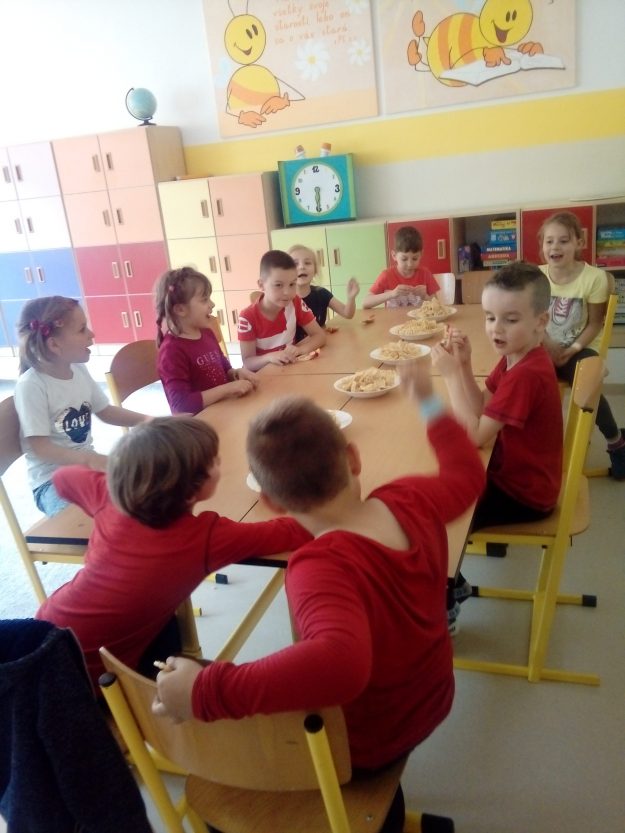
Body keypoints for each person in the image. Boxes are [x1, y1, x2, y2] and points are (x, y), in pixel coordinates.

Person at [152, 363, 485, 833]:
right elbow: (467, 475)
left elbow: (340, 665)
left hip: (365, 744)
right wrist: (428, 400)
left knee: (220, 770)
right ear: (353, 459)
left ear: (270, 502)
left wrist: (205, 691)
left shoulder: (320, 566)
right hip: (430, 698)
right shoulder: (410, 497)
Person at [35, 417, 311, 689]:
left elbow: (62, 478)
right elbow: (294, 531)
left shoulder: (110, 497)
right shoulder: (206, 537)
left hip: (47, 626)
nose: (220, 462)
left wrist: (121, 478)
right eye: (214, 461)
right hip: (86, 677)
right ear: (191, 493)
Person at [431, 262, 564, 633]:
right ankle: (454, 584)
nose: (495, 329)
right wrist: (464, 364)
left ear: (540, 322)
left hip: (525, 493)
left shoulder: (527, 373)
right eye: (490, 317)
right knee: (433, 492)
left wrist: (450, 376)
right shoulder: (517, 356)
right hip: (513, 474)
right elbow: (481, 408)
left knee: (438, 518)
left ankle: (444, 604)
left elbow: (475, 436)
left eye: (510, 319)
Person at [14, 296, 149, 518]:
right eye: (82, 329)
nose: (92, 334)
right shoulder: (32, 385)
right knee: (95, 522)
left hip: (87, 468)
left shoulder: (78, 370)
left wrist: (149, 421)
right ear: (54, 345)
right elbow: (40, 448)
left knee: (143, 497)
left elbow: (106, 412)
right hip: (51, 483)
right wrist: (90, 459)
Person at [538, 211, 625, 480]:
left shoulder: (595, 278)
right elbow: (532, 319)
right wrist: (548, 344)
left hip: (580, 347)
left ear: (579, 243)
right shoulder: (536, 276)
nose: (555, 247)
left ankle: (616, 442)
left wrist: (571, 350)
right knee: (521, 376)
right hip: (544, 345)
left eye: (563, 241)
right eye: (549, 241)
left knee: (587, 382)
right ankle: (535, 448)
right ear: (542, 245)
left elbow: (595, 324)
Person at [155, 266, 258, 415]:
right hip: (199, 423)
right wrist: (227, 389)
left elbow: (225, 370)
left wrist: (236, 373)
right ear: (180, 310)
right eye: (204, 300)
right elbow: (182, 404)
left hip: (223, 410)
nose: (212, 304)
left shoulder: (207, 333)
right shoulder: (171, 351)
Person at [237, 249, 326, 370]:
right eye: (278, 285)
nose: (287, 292)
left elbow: (319, 336)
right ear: (261, 285)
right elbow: (248, 362)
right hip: (262, 375)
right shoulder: (247, 317)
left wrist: (299, 349)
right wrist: (269, 357)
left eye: (292, 284)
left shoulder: (295, 302)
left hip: (289, 369)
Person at [288, 244, 360, 341]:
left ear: (315, 270)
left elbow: (347, 314)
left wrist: (351, 298)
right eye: (295, 264)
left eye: (307, 263)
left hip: (321, 345)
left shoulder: (321, 293)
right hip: (298, 349)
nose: (302, 267)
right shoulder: (284, 300)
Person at [362, 226, 440, 309]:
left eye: (415, 258)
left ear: (421, 254)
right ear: (394, 255)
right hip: (393, 317)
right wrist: (392, 294)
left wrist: (425, 296)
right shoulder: (387, 275)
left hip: (420, 317)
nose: (410, 264)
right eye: (404, 259)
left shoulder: (425, 274)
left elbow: (437, 306)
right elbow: (365, 303)